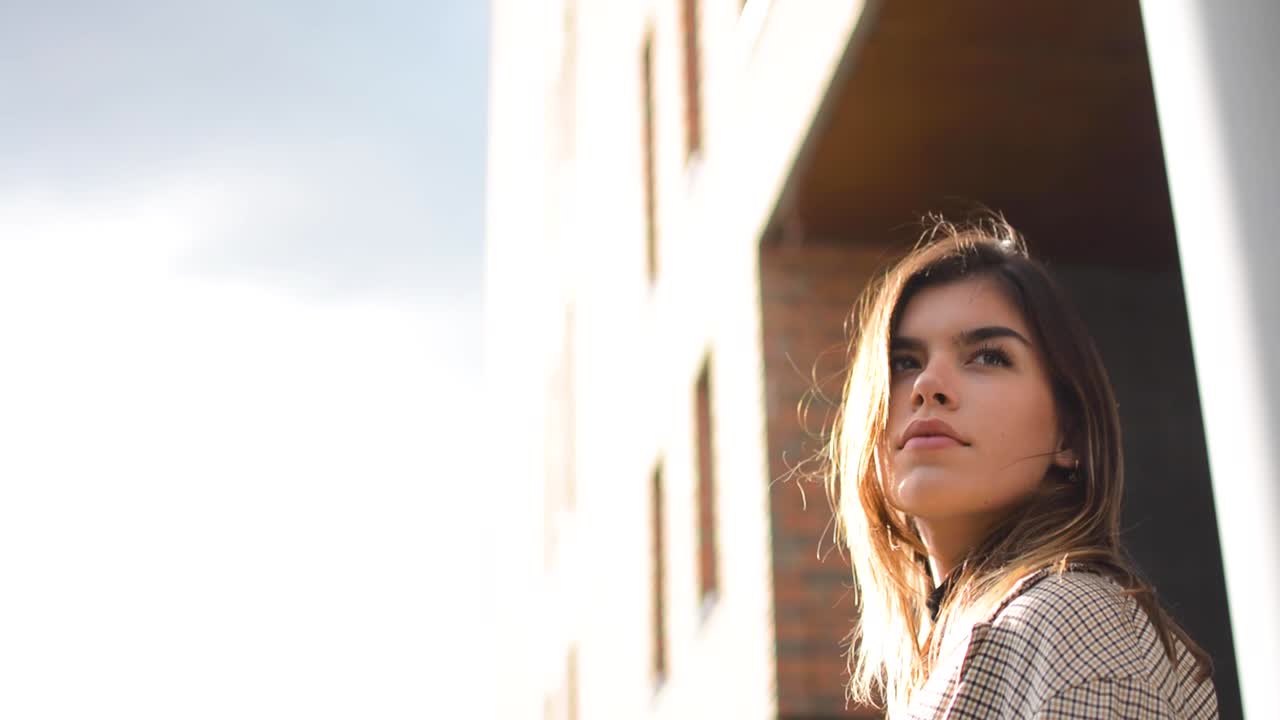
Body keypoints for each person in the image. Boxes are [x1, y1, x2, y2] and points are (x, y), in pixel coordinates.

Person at [822, 219, 1219, 718]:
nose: (927, 384)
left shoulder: (1072, 620)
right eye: (903, 362)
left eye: (988, 356)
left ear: (1069, 435)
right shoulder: (968, 655)